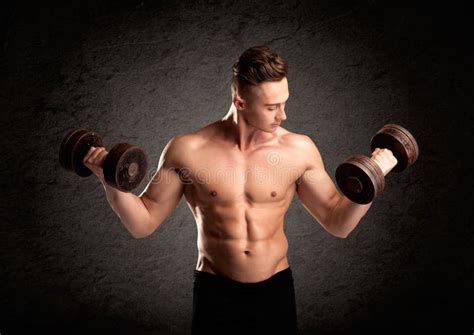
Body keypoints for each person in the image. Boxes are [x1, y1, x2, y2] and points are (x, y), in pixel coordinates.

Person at [83, 45, 398, 334]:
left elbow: (338, 222)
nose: (283, 115)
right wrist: (107, 180)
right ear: (239, 101)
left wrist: (374, 176)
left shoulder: (298, 150)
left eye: (285, 103)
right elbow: (143, 222)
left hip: (274, 292)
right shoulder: (188, 150)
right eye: (272, 107)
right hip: (214, 294)